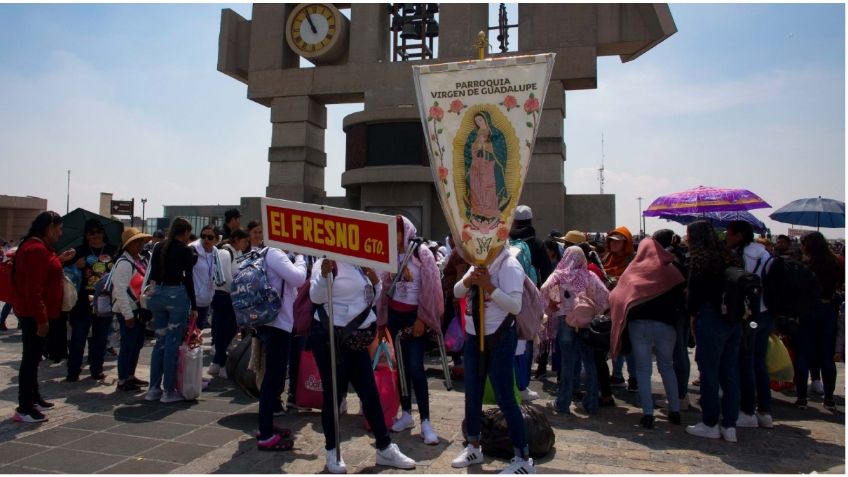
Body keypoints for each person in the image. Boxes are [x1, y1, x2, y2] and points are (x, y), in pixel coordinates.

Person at [310, 257, 416, 473]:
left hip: (357, 340)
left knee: (369, 393)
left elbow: (369, 297)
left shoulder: (361, 263)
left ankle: (384, 446)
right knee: (333, 395)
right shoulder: (326, 262)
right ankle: (332, 450)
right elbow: (316, 296)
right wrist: (323, 276)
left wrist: (375, 281)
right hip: (332, 339)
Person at [452, 245, 535, 474]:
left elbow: (515, 306)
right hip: (473, 336)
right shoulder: (479, 261)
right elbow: (458, 291)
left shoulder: (509, 265)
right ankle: (474, 445)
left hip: (498, 338)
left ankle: (523, 458)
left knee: (505, 396)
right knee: (472, 392)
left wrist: (489, 286)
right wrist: (470, 281)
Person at [377, 216, 444, 444]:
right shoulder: (389, 253)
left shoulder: (421, 253)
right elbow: (384, 287)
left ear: (404, 231)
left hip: (415, 317)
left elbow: (431, 287)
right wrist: (382, 320)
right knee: (402, 368)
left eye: (395, 232)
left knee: (416, 367)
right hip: (395, 317)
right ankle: (406, 414)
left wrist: (423, 319)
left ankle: (425, 420)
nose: (392, 237)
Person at [609, 237, 685, 429]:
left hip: (640, 326)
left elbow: (617, 296)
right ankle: (675, 410)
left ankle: (648, 414)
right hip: (667, 326)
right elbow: (681, 299)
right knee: (667, 367)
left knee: (643, 370)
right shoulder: (672, 272)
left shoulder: (633, 271)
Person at [12, 211, 75, 422]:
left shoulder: (38, 248)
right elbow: (33, 289)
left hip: (38, 313)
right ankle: (24, 407)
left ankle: (34, 396)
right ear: (49, 228)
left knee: (34, 358)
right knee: (30, 359)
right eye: (58, 229)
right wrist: (41, 319)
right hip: (34, 315)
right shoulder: (36, 250)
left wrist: (59, 260)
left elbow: (43, 273)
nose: (60, 233)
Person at [684, 220, 741, 442]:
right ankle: (730, 425)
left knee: (709, 372)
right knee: (730, 372)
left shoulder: (701, 261)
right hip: (733, 319)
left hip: (710, 318)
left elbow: (694, 298)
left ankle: (709, 422)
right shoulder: (730, 256)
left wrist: (692, 318)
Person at [540, 246, 609, 416]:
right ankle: (591, 402)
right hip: (586, 323)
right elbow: (605, 296)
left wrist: (552, 304)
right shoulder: (589, 275)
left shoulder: (559, 274)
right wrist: (595, 311)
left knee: (568, 363)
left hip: (565, 322)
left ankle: (563, 403)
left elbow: (543, 289)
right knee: (590, 362)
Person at [253, 243, 307, 451]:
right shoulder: (274, 252)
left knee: (273, 378)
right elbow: (298, 279)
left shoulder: (267, 253)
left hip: (272, 320)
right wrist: (300, 257)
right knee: (273, 379)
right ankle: (265, 435)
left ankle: (265, 425)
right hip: (277, 322)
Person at [725, 220, 775, 428]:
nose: (726, 237)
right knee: (759, 362)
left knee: (744, 362)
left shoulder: (743, 256)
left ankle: (747, 410)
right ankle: (765, 411)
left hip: (749, 316)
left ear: (738, 235)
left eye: (728, 233)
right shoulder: (765, 254)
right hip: (767, 313)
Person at [145, 217, 198, 403]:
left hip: (157, 294)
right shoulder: (185, 251)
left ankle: (153, 388)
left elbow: (152, 275)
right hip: (176, 295)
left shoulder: (159, 247)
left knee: (160, 341)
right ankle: (168, 390)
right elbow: (189, 279)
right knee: (172, 343)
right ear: (184, 233)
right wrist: (194, 305)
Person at [794, 231, 844, 410]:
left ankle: (801, 398)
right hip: (828, 309)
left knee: (804, 354)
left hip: (809, 310)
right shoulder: (835, 264)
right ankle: (829, 398)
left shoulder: (806, 267)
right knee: (827, 357)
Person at [66, 219, 118, 382]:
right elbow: (65, 271)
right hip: (82, 301)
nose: (95, 235)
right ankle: (73, 370)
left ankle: (97, 369)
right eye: (91, 233)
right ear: (86, 236)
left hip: (104, 300)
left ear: (104, 233)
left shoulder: (114, 250)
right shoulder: (78, 251)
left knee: (101, 337)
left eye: (98, 232)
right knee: (78, 337)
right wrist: (76, 265)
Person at [653, 229, 692, 411]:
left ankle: (678, 397)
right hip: (681, 310)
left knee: (675, 356)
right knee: (679, 353)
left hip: (673, 311)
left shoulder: (668, 258)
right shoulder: (682, 255)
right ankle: (679, 395)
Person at [111, 228, 152, 392]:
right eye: (136, 242)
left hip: (139, 309)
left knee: (137, 344)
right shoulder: (124, 263)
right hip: (127, 310)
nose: (140, 245)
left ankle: (130, 375)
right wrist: (128, 315)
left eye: (141, 242)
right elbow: (120, 291)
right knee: (128, 346)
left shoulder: (141, 261)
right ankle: (122, 379)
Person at [208, 228, 248, 379]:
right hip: (223, 297)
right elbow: (225, 278)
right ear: (236, 239)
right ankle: (221, 363)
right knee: (223, 331)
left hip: (233, 298)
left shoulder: (238, 254)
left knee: (230, 331)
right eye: (244, 241)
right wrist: (239, 291)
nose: (246, 244)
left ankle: (217, 362)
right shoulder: (225, 253)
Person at [603, 226, 638, 392]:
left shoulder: (633, 261)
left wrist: (618, 281)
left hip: (628, 307)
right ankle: (616, 375)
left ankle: (634, 378)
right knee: (614, 340)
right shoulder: (606, 258)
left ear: (626, 243)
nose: (614, 245)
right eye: (612, 241)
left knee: (628, 343)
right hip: (610, 307)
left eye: (618, 242)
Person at [464, 111, 509, 231]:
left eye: (481, 120)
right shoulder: (474, 134)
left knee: (489, 187)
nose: (479, 123)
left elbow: (499, 151)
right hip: (477, 165)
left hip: (489, 165)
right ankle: (478, 212)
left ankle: (490, 212)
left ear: (486, 120)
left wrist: (486, 148)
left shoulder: (495, 134)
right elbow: (469, 150)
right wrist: (477, 147)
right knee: (476, 187)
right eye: (477, 121)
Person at [442, 235, 469, 379]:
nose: (450, 240)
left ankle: (460, 363)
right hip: (459, 296)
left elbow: (461, 273)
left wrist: (456, 299)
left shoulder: (460, 251)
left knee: (459, 330)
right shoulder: (462, 250)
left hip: (458, 298)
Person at [190, 224, 219, 330]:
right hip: (192, 303)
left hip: (206, 302)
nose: (206, 239)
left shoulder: (216, 252)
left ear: (216, 239)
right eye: (203, 236)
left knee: (197, 335)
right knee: (188, 336)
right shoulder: (193, 250)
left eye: (210, 237)